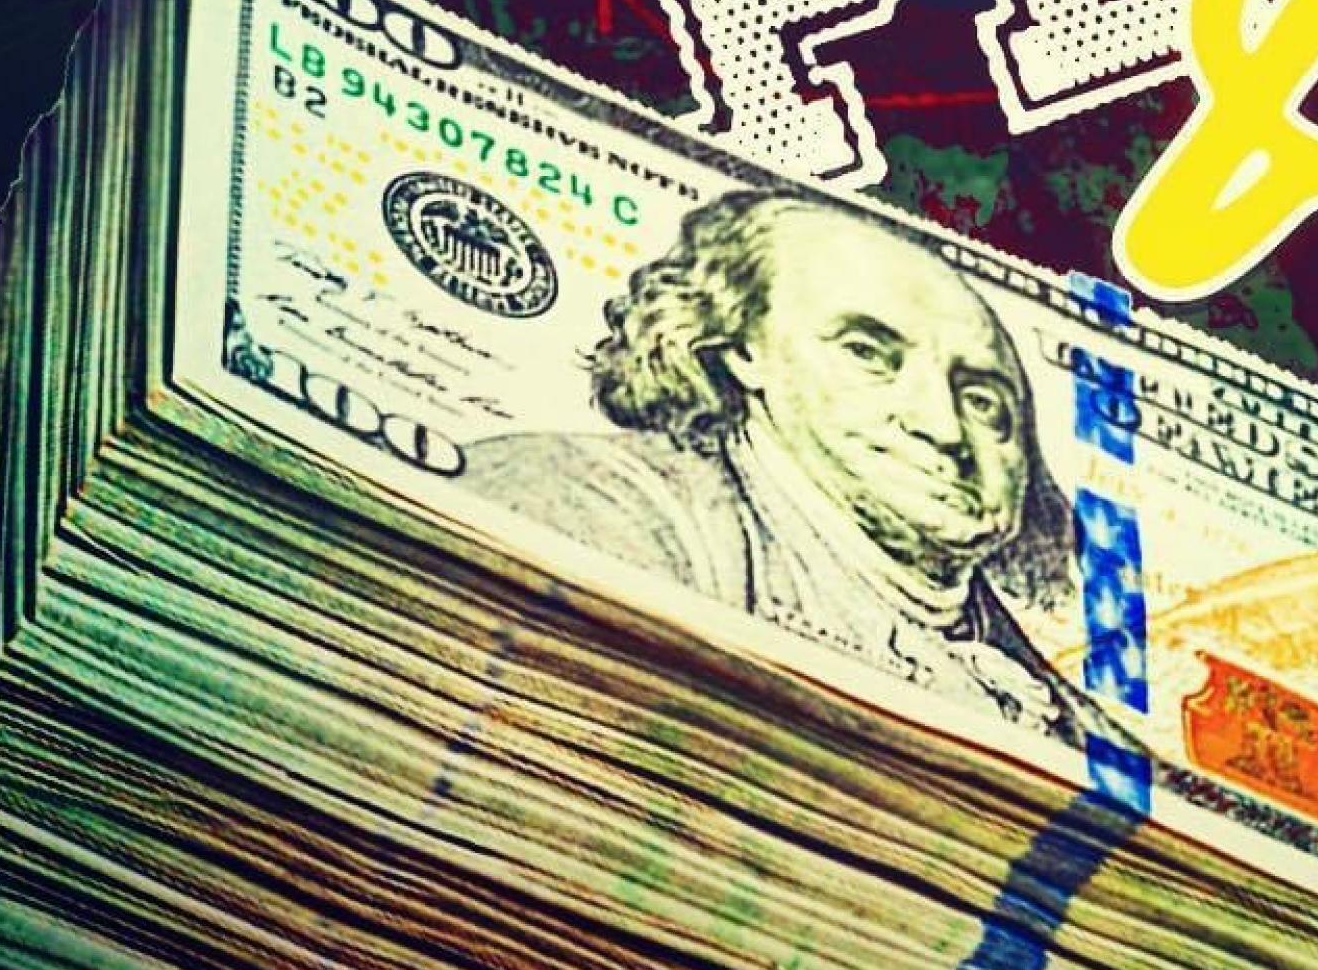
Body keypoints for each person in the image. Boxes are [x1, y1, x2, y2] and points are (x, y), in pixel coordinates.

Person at [462, 189, 1089, 741]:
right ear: (743, 349)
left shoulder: (1089, 728)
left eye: (983, 401)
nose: (943, 428)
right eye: (867, 353)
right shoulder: (582, 500)